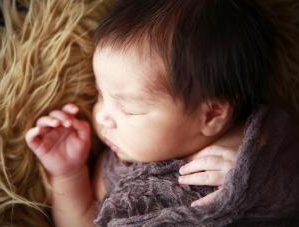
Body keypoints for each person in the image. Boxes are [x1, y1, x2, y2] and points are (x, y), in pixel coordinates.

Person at [25, 0, 299, 226]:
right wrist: (69, 174)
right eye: (100, 95)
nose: (101, 116)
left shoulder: (269, 140)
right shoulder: (119, 169)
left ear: (212, 115)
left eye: (128, 108)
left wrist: (262, 176)